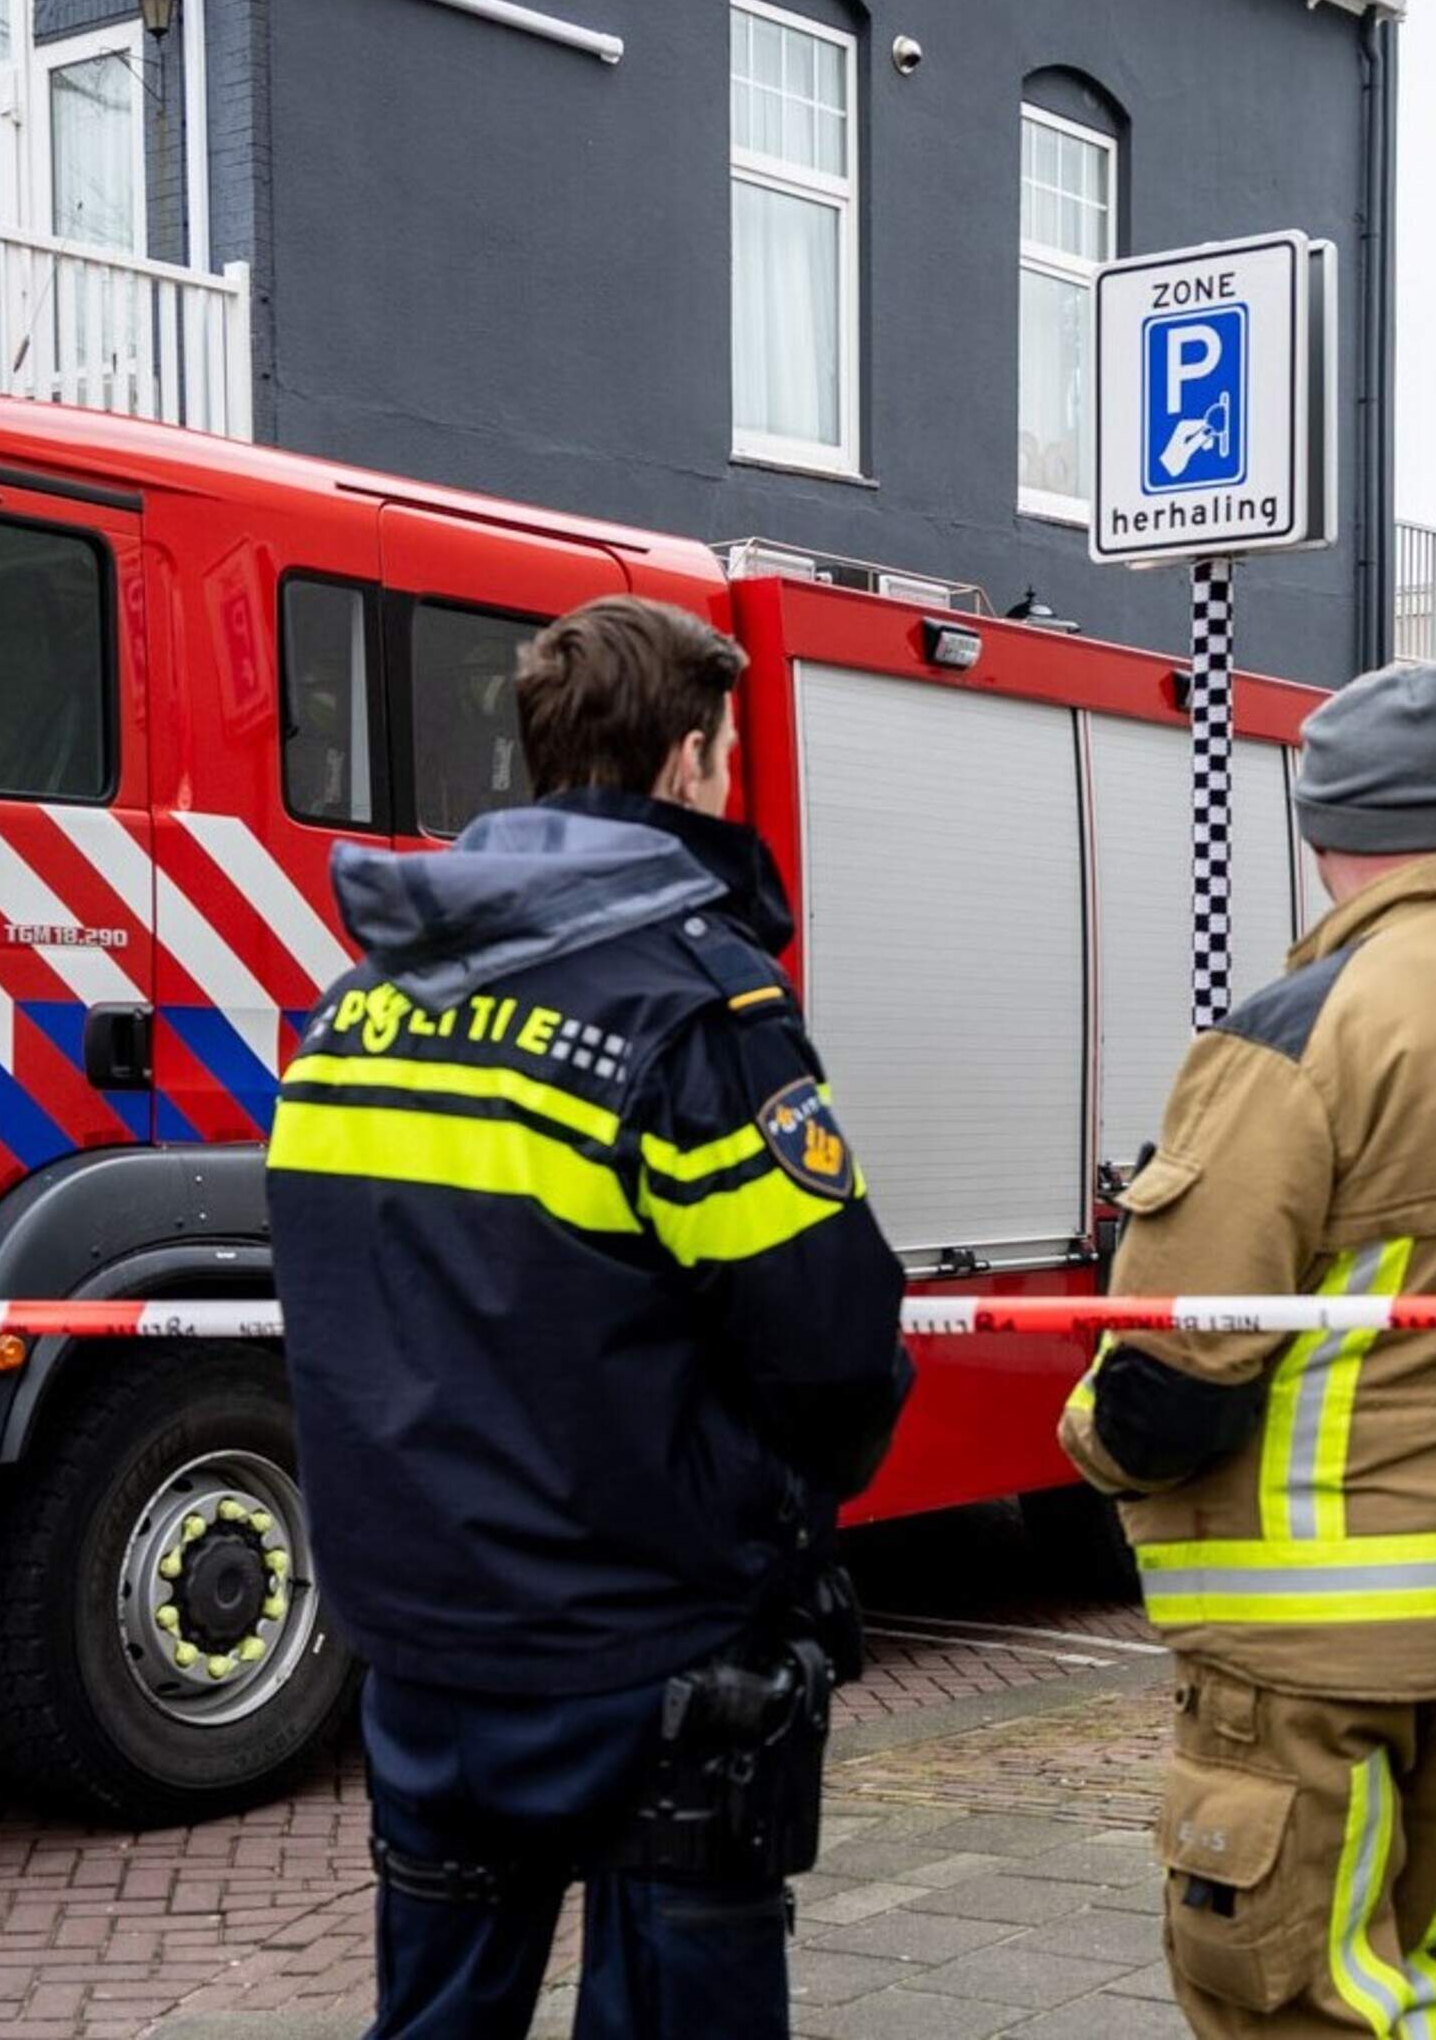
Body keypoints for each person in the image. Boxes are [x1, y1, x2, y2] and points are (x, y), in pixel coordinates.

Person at [267, 595, 912, 2040]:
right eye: (729, 753)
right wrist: (765, 1516)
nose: (729, 778)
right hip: (650, 1652)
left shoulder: (353, 1011)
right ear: (687, 761)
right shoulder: (694, 1014)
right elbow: (834, 1348)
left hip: (422, 1644)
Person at [1058, 663, 1436, 2040]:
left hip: (1304, 1640)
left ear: (1318, 824)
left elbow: (1172, 1366)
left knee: (1292, 2001)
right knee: (1406, 1977)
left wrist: (1088, 1446)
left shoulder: (1302, 1029)